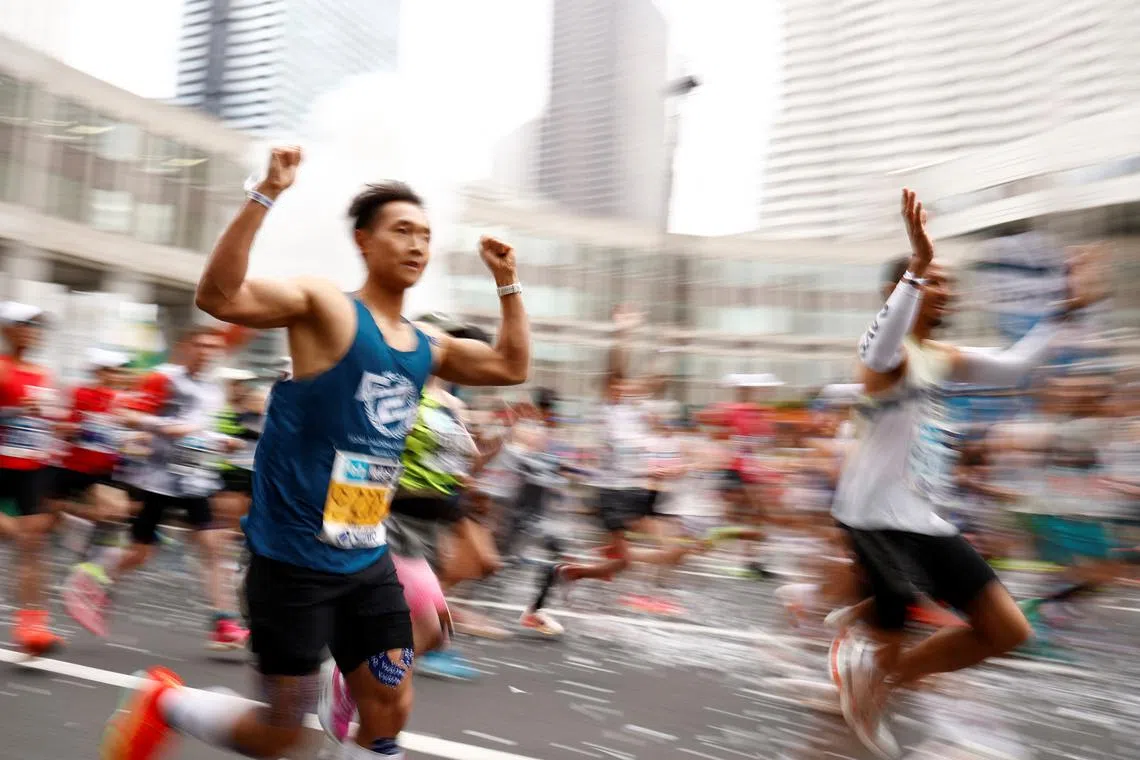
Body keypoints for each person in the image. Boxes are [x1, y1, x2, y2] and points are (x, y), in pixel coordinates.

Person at [102, 146, 529, 760]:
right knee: (281, 731)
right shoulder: (326, 307)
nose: (416, 245)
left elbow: (511, 366)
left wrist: (507, 281)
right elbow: (220, 297)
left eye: (426, 236)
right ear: (363, 240)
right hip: (291, 561)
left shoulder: (427, 346)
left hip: (365, 557)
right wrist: (265, 193)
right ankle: (161, 702)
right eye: (401, 230)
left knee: (389, 706)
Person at [828, 189, 1104, 757]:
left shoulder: (943, 356)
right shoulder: (885, 356)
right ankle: (862, 672)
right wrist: (917, 265)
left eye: (947, 281)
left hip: (921, 520)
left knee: (1007, 631)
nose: (945, 288)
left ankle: (878, 679)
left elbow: (1017, 367)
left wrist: (1065, 310)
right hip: (875, 520)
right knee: (884, 642)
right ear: (898, 291)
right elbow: (880, 350)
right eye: (935, 280)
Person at [64, 327, 248, 648]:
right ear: (185, 347)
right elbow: (125, 414)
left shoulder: (214, 390)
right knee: (141, 553)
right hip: (157, 481)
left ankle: (224, 623)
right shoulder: (163, 379)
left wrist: (223, 442)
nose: (206, 352)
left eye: (212, 347)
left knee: (213, 547)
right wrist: (164, 426)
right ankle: (91, 576)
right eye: (200, 345)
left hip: (194, 480)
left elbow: (199, 432)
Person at [0, 302, 64, 655]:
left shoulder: (42, 373)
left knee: (33, 545)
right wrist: (13, 411)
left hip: (31, 467)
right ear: (6, 329)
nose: (32, 331)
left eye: (37, 326)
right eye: (24, 324)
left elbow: (42, 422)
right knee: (22, 539)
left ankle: (32, 626)